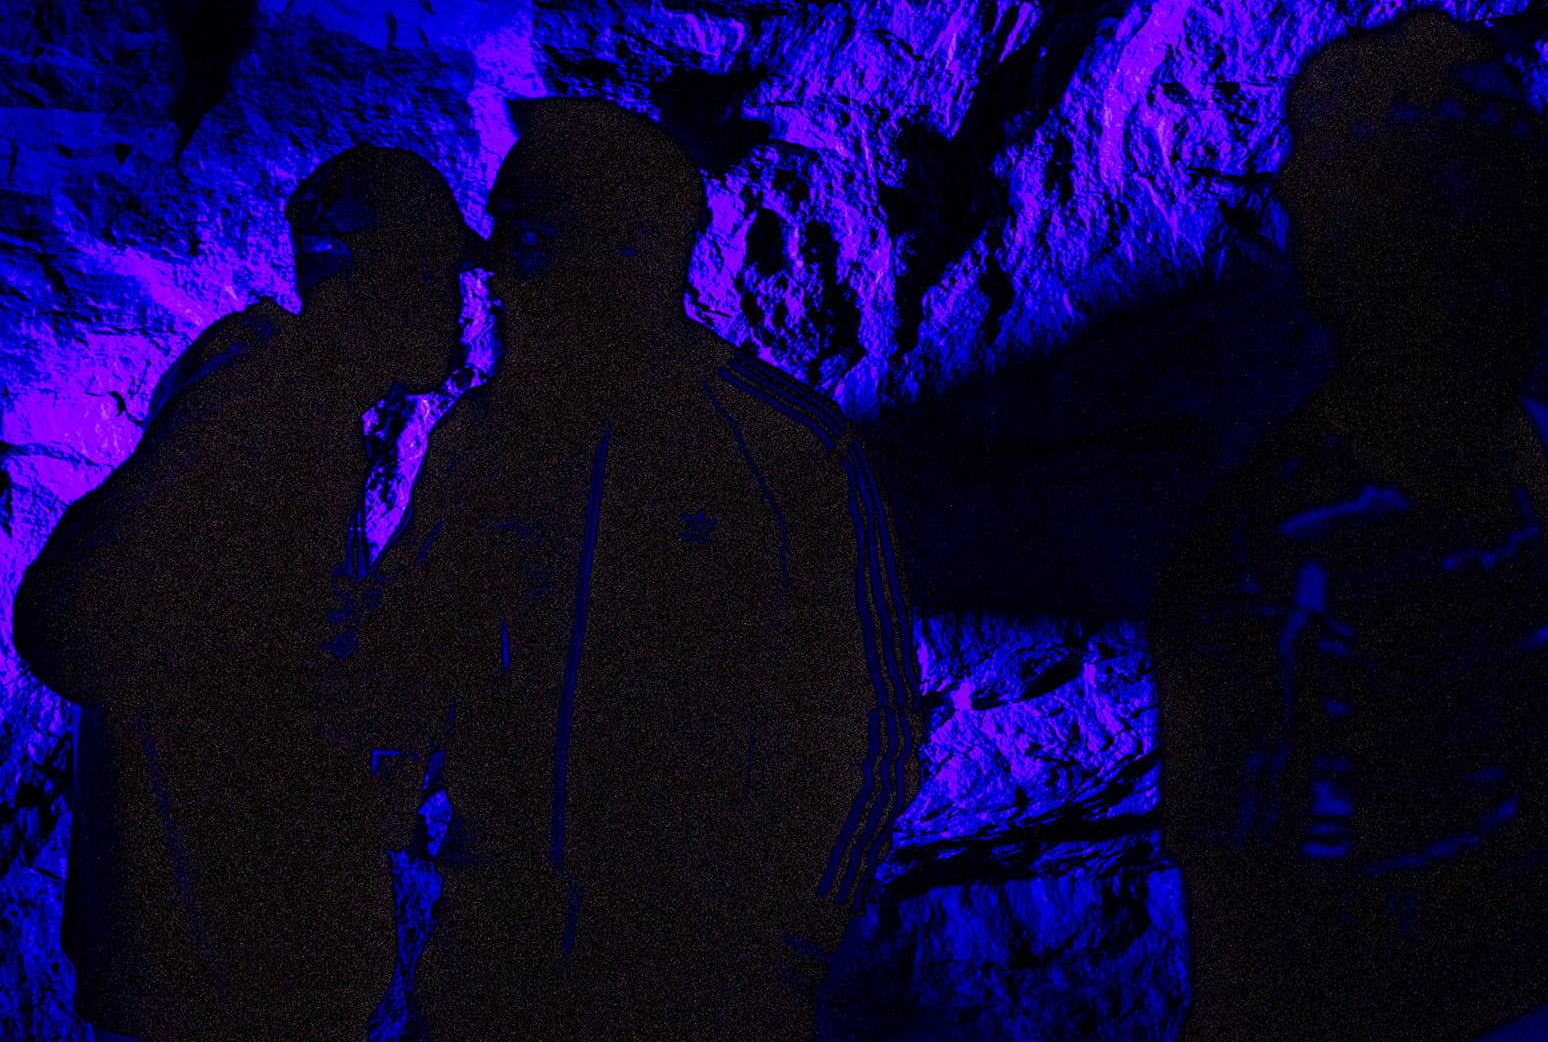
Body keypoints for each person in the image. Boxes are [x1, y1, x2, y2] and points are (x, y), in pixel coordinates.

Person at [378, 99, 922, 1041]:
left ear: (633, 251)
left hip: (696, 974)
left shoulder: (787, 450)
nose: (498, 276)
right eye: (501, 243)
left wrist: (795, 936)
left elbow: (876, 722)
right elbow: (408, 649)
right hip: (495, 957)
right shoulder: (478, 439)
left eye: (532, 242)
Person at [1148, 9, 1548, 1041]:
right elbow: (1272, 990)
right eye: (1459, 214)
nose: (1510, 259)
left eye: (1519, 208)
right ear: (1358, 251)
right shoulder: (1270, 561)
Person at [12, 147, 479, 1042]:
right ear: (379, 278)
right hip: (206, 964)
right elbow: (61, 614)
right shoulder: (266, 407)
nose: (457, 305)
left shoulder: (298, 401)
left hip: (215, 953)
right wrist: (274, 708)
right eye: (436, 275)